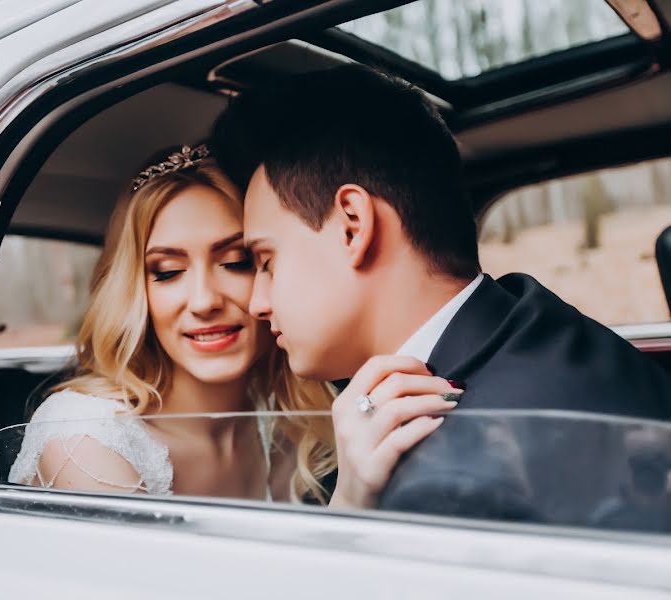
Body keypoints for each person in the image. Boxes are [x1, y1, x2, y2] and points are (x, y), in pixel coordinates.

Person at [210, 64, 671, 516]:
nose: (257, 303)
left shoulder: (449, 481)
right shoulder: (540, 322)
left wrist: (347, 513)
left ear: (353, 226)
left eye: (267, 262)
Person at [9, 145, 349, 502]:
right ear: (136, 293)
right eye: (168, 272)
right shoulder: (86, 435)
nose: (204, 302)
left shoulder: (289, 422)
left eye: (236, 262)